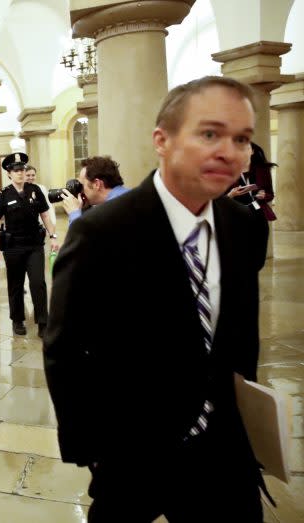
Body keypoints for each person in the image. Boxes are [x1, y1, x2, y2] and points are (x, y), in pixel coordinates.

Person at [44, 76, 269, 522]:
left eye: (242, 139)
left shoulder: (242, 226)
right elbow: (64, 348)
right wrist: (92, 448)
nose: (229, 150)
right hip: (133, 452)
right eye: (210, 133)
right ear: (161, 141)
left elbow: (238, 337)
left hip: (224, 452)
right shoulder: (101, 231)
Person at [0, 152, 59, 338]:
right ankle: (18, 320)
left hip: (34, 245)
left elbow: (45, 215)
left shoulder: (34, 190)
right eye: (16, 170)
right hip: (13, 247)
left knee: (38, 283)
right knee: (16, 285)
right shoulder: (3, 195)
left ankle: (43, 321)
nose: (20, 172)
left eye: (22, 169)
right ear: (9, 174)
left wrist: (53, 236)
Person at [59, 155, 130, 225]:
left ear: (97, 184)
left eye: (82, 185)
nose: (81, 191)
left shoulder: (113, 209)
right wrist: (85, 209)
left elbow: (84, 236)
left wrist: (74, 213)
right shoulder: (127, 196)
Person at [227, 142, 277, 222]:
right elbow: (219, 199)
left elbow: (270, 194)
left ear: (252, 151)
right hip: (235, 214)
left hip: (258, 213)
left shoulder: (262, 170)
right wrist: (231, 195)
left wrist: (263, 195)